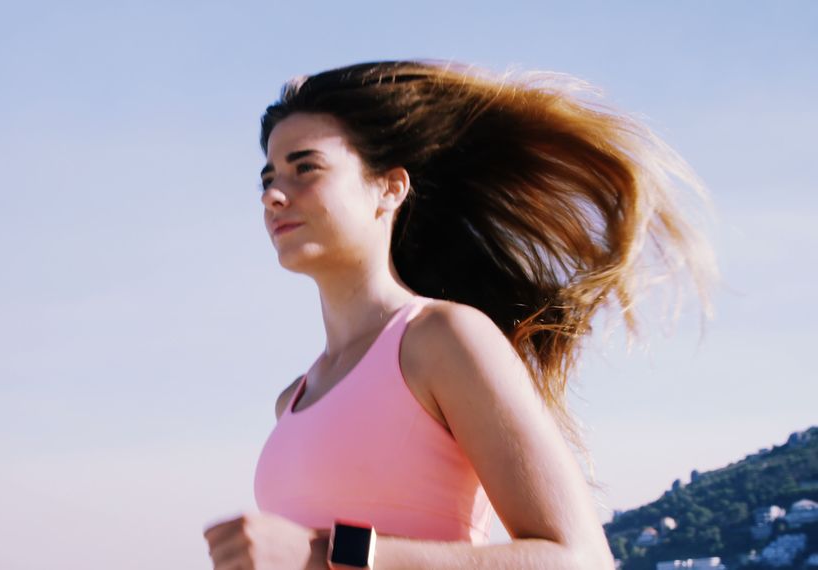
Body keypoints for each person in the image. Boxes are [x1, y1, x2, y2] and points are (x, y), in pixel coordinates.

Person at [202, 60, 717, 569]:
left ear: (390, 187)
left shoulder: (442, 338)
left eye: (305, 168)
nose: (273, 194)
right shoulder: (291, 400)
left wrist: (327, 553)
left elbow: (579, 559)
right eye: (267, 178)